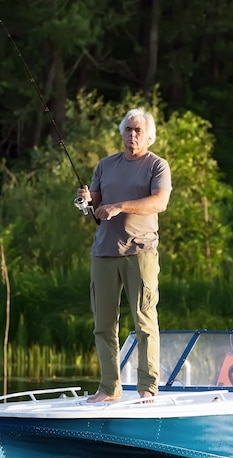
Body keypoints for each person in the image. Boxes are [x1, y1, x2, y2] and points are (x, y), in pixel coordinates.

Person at [77, 107, 172, 403]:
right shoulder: (106, 165)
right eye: (128, 130)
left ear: (149, 136)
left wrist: (121, 206)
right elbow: (95, 201)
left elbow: (159, 202)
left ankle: (147, 388)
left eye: (138, 131)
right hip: (104, 251)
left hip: (140, 252)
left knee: (144, 321)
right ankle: (109, 388)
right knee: (103, 325)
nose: (132, 135)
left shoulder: (158, 166)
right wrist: (85, 200)